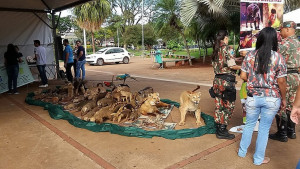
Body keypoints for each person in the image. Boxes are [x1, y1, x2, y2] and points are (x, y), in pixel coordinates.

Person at [238, 27, 287, 165]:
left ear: (259, 39)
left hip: (253, 97)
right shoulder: (279, 57)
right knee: (264, 129)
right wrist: (283, 99)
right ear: (274, 40)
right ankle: (258, 159)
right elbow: (281, 81)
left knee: (249, 125)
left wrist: (255, 81)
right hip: (272, 98)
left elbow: (242, 75)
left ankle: (242, 152)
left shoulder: (249, 55)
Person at [269, 21, 300, 142]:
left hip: (285, 76)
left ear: (287, 29)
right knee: (292, 103)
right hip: (296, 77)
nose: (280, 33)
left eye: (281, 30)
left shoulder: (284, 44)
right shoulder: (298, 43)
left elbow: (274, 59)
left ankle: (282, 132)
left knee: (282, 102)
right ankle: (291, 131)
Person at [211, 30, 241, 140]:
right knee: (229, 106)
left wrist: (236, 59)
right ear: (226, 38)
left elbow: (223, 62)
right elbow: (232, 66)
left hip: (217, 81)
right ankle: (223, 130)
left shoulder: (216, 49)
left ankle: (219, 128)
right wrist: (243, 67)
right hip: (227, 82)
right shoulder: (228, 48)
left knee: (219, 105)